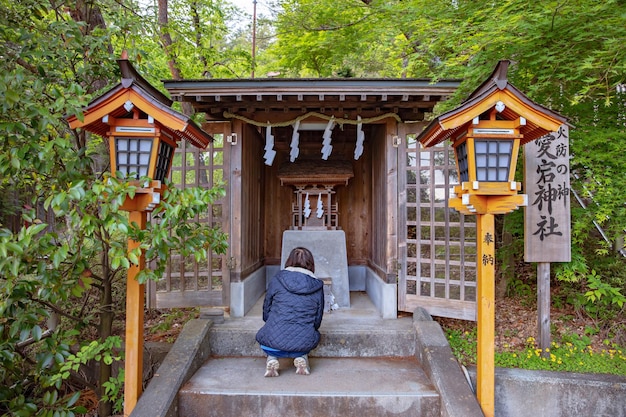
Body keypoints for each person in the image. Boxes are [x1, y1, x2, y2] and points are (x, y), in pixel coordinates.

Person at [255, 247, 325, 377]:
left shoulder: (277, 279)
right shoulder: (317, 285)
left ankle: (272, 358)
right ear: (311, 263)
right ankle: (302, 358)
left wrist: (270, 322)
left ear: (289, 260)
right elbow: (317, 318)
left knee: (268, 335)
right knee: (309, 335)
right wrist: (310, 329)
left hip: (272, 341)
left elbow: (266, 308)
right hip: (303, 343)